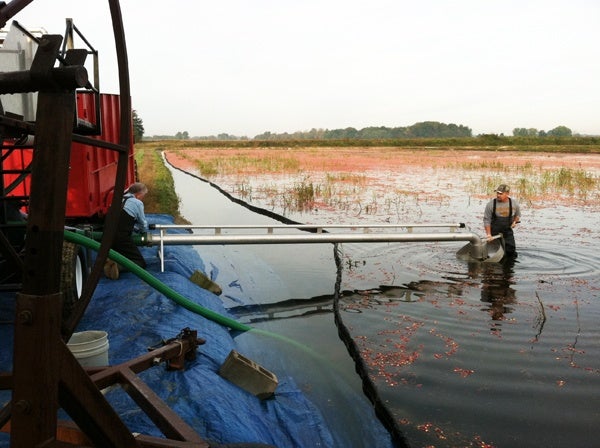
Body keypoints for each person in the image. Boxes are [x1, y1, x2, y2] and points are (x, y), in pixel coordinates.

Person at [104, 182, 149, 279]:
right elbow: (142, 223)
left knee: (122, 254)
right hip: (121, 237)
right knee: (140, 262)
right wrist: (144, 233)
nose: (143, 198)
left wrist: (134, 229)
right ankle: (118, 267)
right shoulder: (137, 203)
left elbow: (122, 219)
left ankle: (111, 261)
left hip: (106, 236)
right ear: (138, 195)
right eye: (143, 196)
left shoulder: (119, 198)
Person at [483, 184, 521, 258]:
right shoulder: (490, 205)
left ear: (507, 194)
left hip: (508, 233)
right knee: (493, 254)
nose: (498, 195)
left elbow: (518, 215)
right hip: (494, 234)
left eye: (501, 193)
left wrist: (514, 222)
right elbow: (487, 220)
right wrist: (488, 234)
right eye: (497, 193)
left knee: (511, 253)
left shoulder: (514, 204)